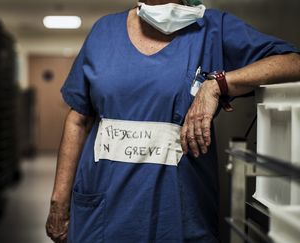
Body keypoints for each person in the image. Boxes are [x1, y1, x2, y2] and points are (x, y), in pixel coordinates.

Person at [46, 0, 300, 242]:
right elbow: (78, 119)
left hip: (177, 215)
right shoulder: (104, 31)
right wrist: (59, 202)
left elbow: (293, 63)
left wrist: (219, 84)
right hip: (102, 215)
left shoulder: (213, 29)